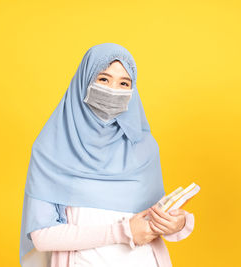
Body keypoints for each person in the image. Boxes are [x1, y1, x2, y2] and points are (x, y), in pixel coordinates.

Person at [19, 43, 195, 267]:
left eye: (124, 83)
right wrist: (122, 232)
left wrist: (176, 225)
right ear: (84, 81)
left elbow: (151, 219)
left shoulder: (143, 147)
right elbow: (42, 236)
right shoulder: (50, 150)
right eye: (103, 79)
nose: (114, 89)